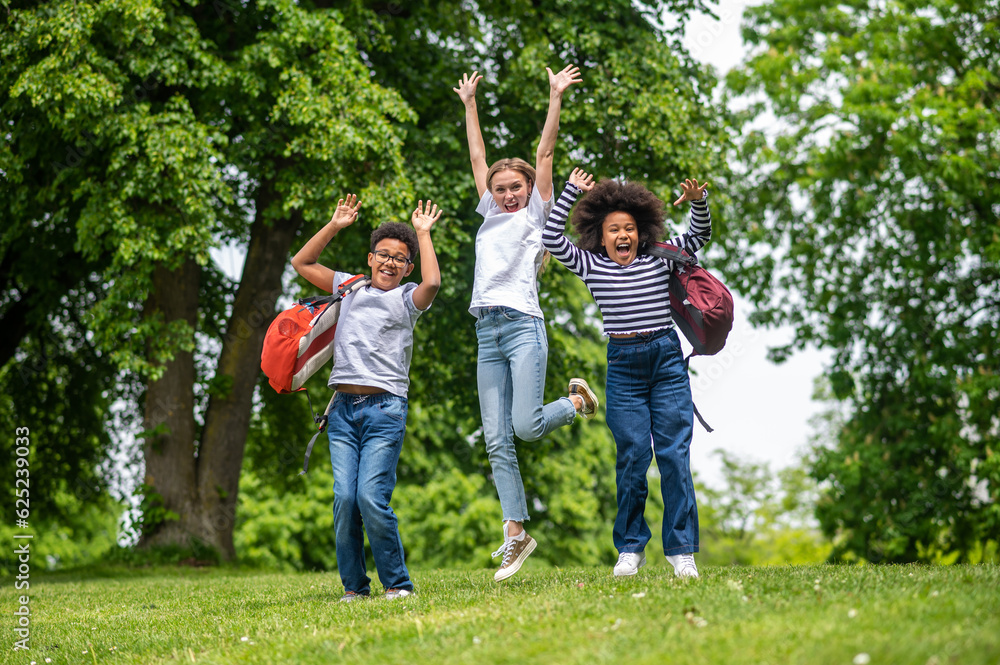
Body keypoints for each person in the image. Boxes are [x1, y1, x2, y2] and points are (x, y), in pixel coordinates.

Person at [453, 68, 600, 582]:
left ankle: (576, 402)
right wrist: (470, 103)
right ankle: (515, 534)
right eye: (501, 189)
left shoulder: (536, 213)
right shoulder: (489, 212)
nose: (509, 195)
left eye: (515, 188)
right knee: (495, 438)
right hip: (485, 330)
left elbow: (544, 155)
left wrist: (555, 96)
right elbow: (477, 156)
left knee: (525, 427)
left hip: (522, 327)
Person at [541, 168, 712, 579]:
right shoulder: (590, 264)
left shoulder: (660, 256)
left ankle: (681, 550)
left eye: (630, 229)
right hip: (624, 365)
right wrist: (569, 193)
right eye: (613, 229)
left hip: (666, 360)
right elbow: (550, 239)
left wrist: (698, 203)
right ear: (601, 237)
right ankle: (631, 548)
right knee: (633, 457)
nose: (623, 236)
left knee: (674, 456)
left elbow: (699, 237)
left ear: (642, 232)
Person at [291, 195, 442, 601]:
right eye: (383, 255)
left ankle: (397, 583)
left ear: (407, 267)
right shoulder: (349, 286)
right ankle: (355, 588)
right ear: (370, 258)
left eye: (400, 259)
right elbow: (302, 264)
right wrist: (335, 225)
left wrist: (423, 235)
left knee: (370, 497)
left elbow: (433, 283)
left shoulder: (406, 299)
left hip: (384, 411)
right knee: (344, 498)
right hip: (341, 412)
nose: (390, 262)